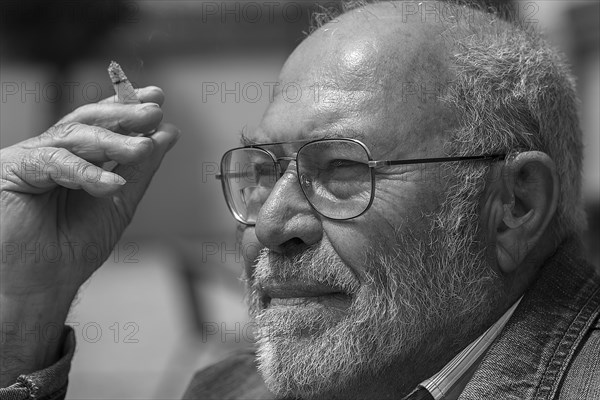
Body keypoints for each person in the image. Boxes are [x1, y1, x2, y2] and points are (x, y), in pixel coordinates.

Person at [1, 1, 599, 399]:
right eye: (263, 169)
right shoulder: (230, 390)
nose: (271, 224)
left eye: (342, 169)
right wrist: (27, 306)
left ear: (516, 206)